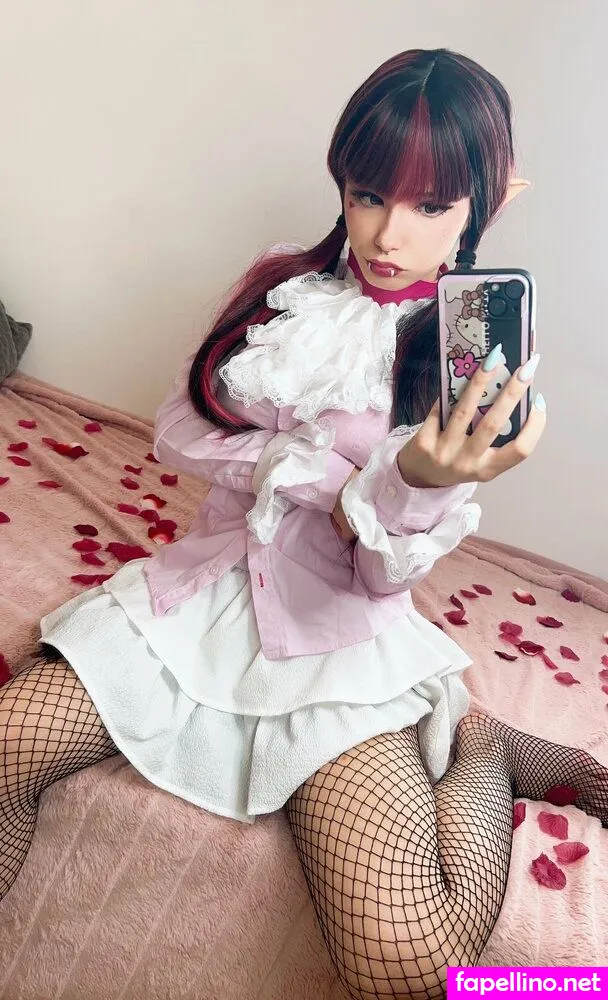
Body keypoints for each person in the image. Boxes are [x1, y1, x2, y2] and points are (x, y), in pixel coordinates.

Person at [1, 47, 606, 1000]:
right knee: (5, 752)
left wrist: (413, 485)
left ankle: (484, 750)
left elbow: (379, 574)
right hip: (198, 602)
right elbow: (178, 426)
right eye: (369, 194)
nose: (389, 234)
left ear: (491, 202)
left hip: (338, 641)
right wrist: (317, 470)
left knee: (412, 966)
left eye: (432, 205)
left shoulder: (461, 360)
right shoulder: (285, 288)